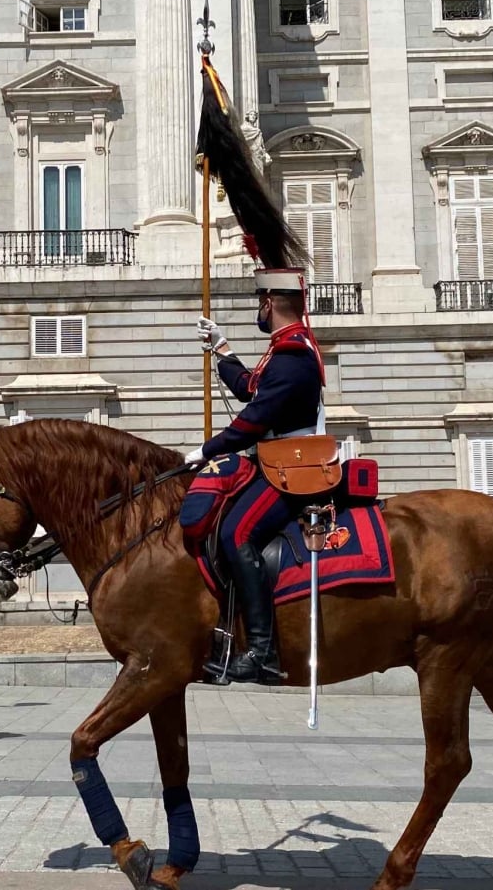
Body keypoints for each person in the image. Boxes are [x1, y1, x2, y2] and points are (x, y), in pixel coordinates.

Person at [186, 268, 325, 684]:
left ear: (269, 303)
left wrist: (206, 450)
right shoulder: (285, 349)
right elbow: (251, 388)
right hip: (280, 460)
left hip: (294, 465)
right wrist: (223, 349)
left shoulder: (293, 354)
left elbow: (255, 418)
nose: (258, 310)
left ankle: (261, 651)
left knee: (236, 534)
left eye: (259, 302)